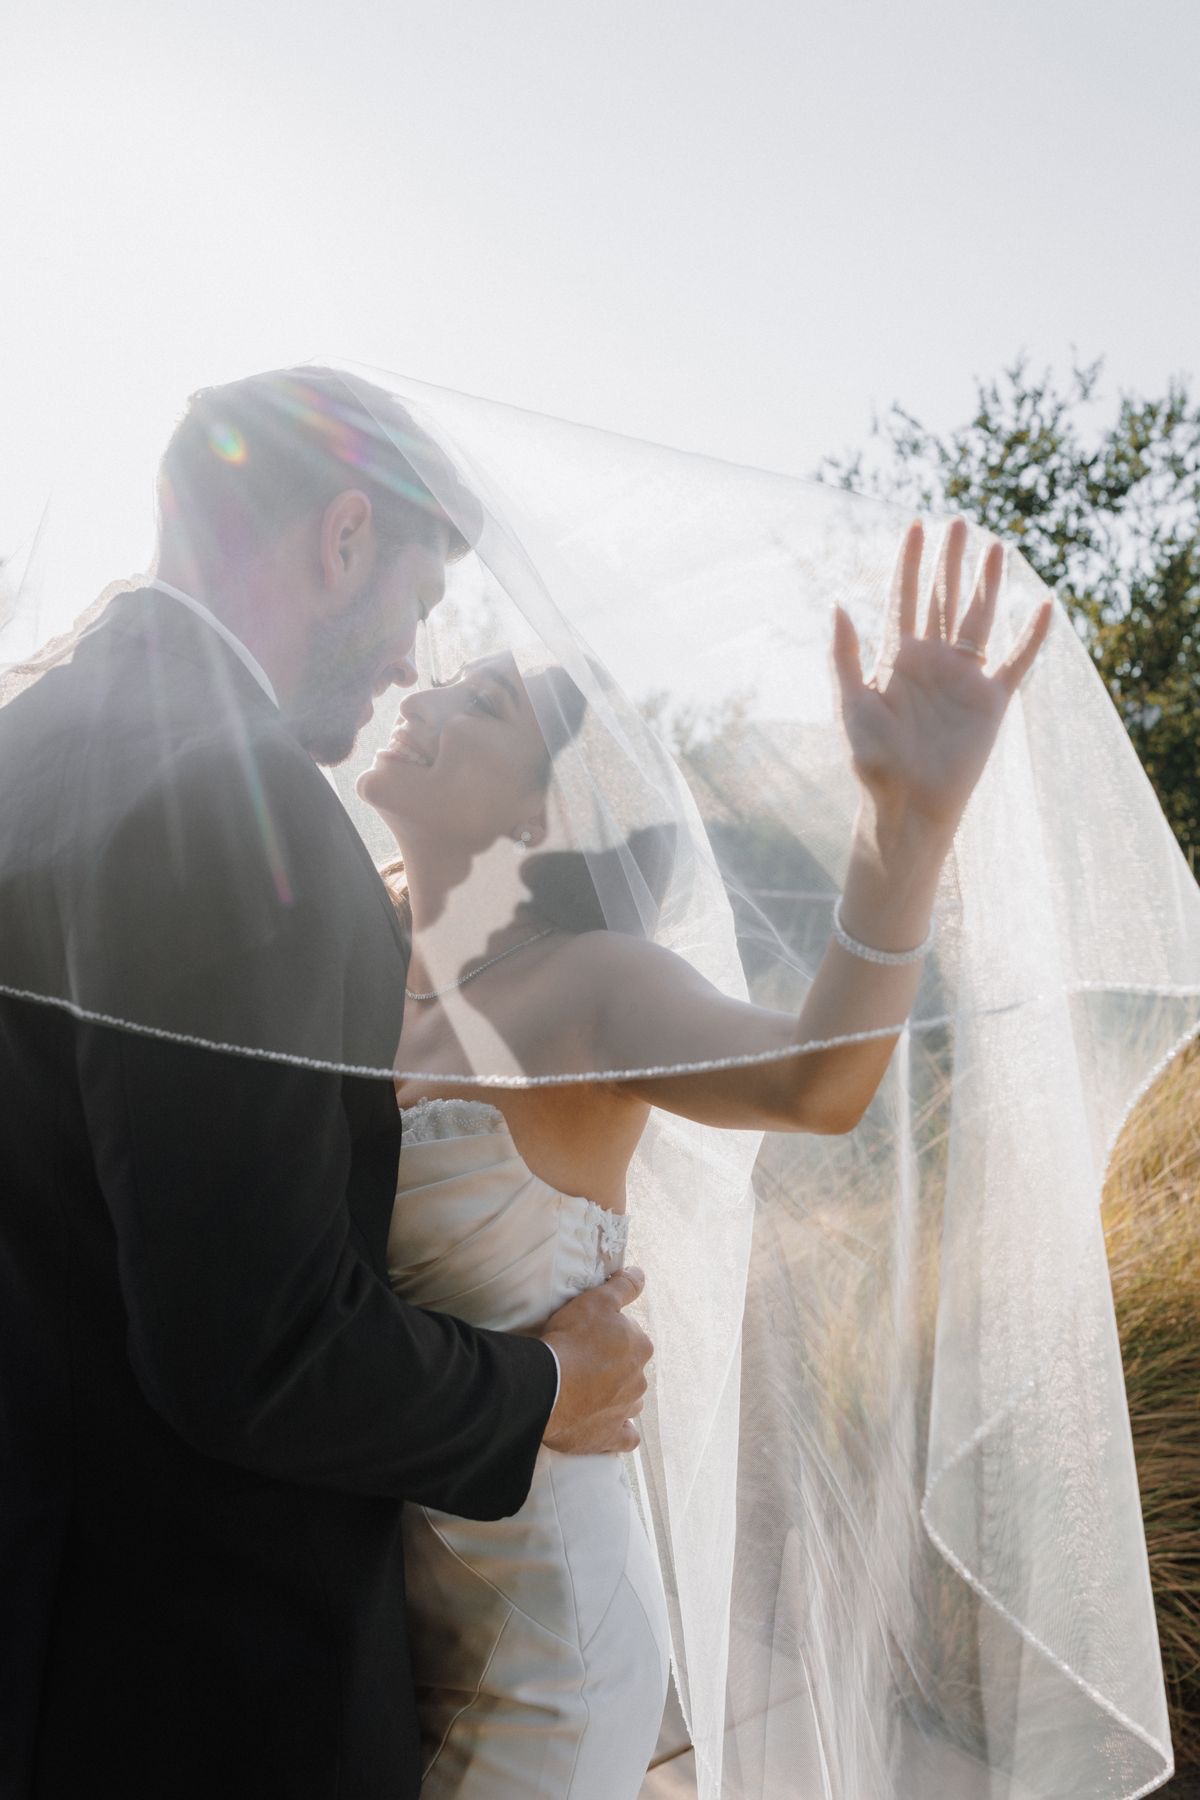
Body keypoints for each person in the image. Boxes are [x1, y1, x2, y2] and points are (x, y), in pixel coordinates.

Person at [0, 368, 653, 1799]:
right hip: (198, 1684)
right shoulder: (233, 802)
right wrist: (547, 1384)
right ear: (343, 538)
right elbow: (255, 1344)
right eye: (417, 606)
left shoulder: (25, 750)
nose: (408, 665)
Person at [354, 516, 1052, 1797]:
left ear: (538, 810)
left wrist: (906, 829)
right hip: (384, 1611)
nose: (427, 693)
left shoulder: (590, 990)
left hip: (538, 1644)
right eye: (447, 674)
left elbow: (814, 1078)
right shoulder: (360, 967)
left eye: (484, 700)